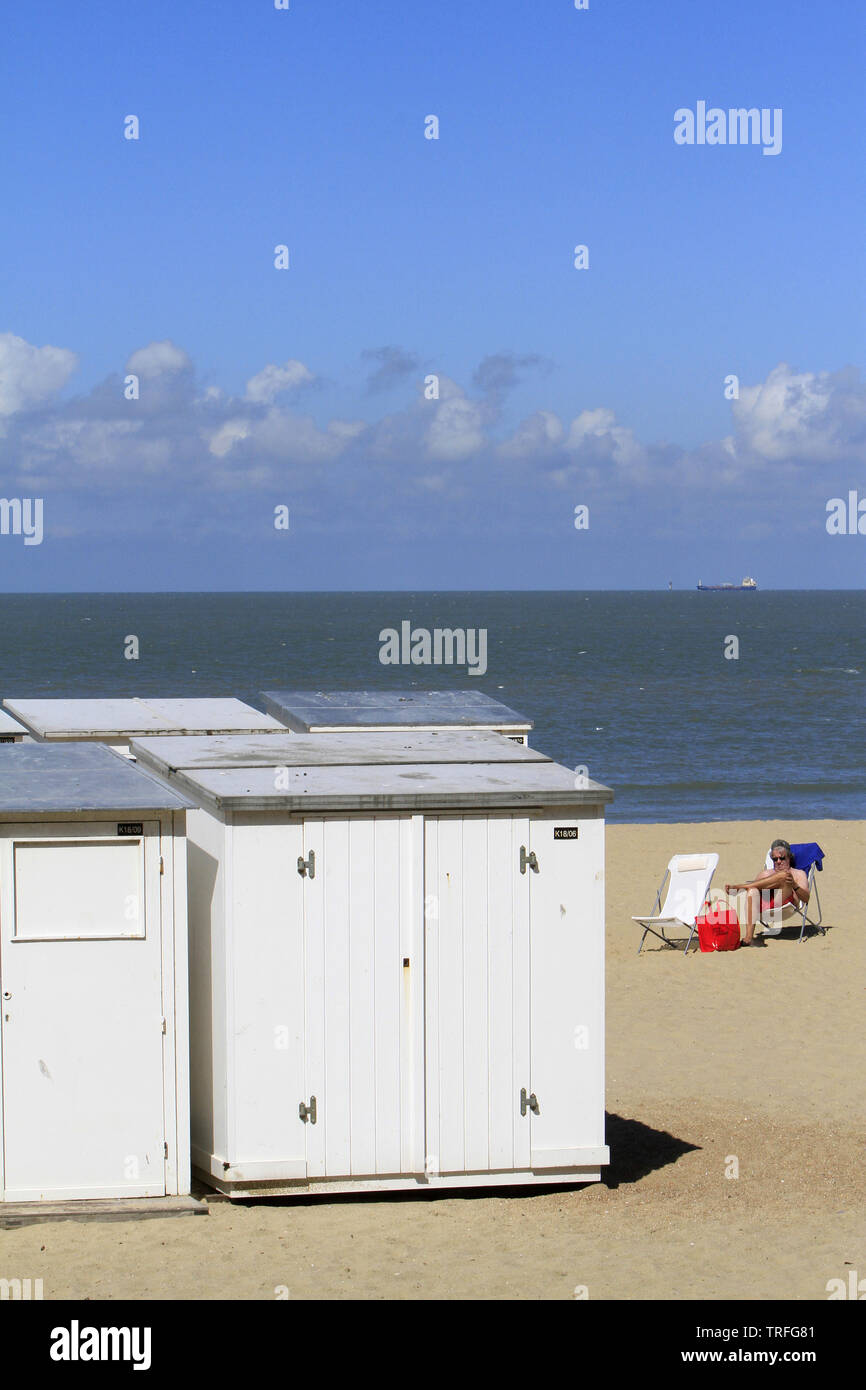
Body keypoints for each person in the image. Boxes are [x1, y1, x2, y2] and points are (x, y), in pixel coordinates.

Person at [725, 839, 810, 946]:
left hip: (787, 904)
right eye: (775, 859)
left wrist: (794, 885)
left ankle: (742, 887)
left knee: (785, 876)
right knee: (752, 891)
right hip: (766, 907)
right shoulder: (765, 874)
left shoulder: (799, 874)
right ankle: (749, 938)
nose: (778, 861)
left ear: (789, 857)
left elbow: (806, 898)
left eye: (782, 858)